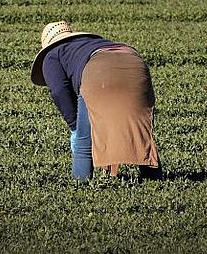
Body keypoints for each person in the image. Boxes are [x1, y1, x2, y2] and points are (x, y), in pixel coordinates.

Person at [31, 20, 160, 180]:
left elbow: (59, 91)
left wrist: (74, 126)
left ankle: (81, 184)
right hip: (134, 62)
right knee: (139, 130)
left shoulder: (51, 55)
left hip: (99, 70)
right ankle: (154, 178)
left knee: (83, 140)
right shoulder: (90, 43)